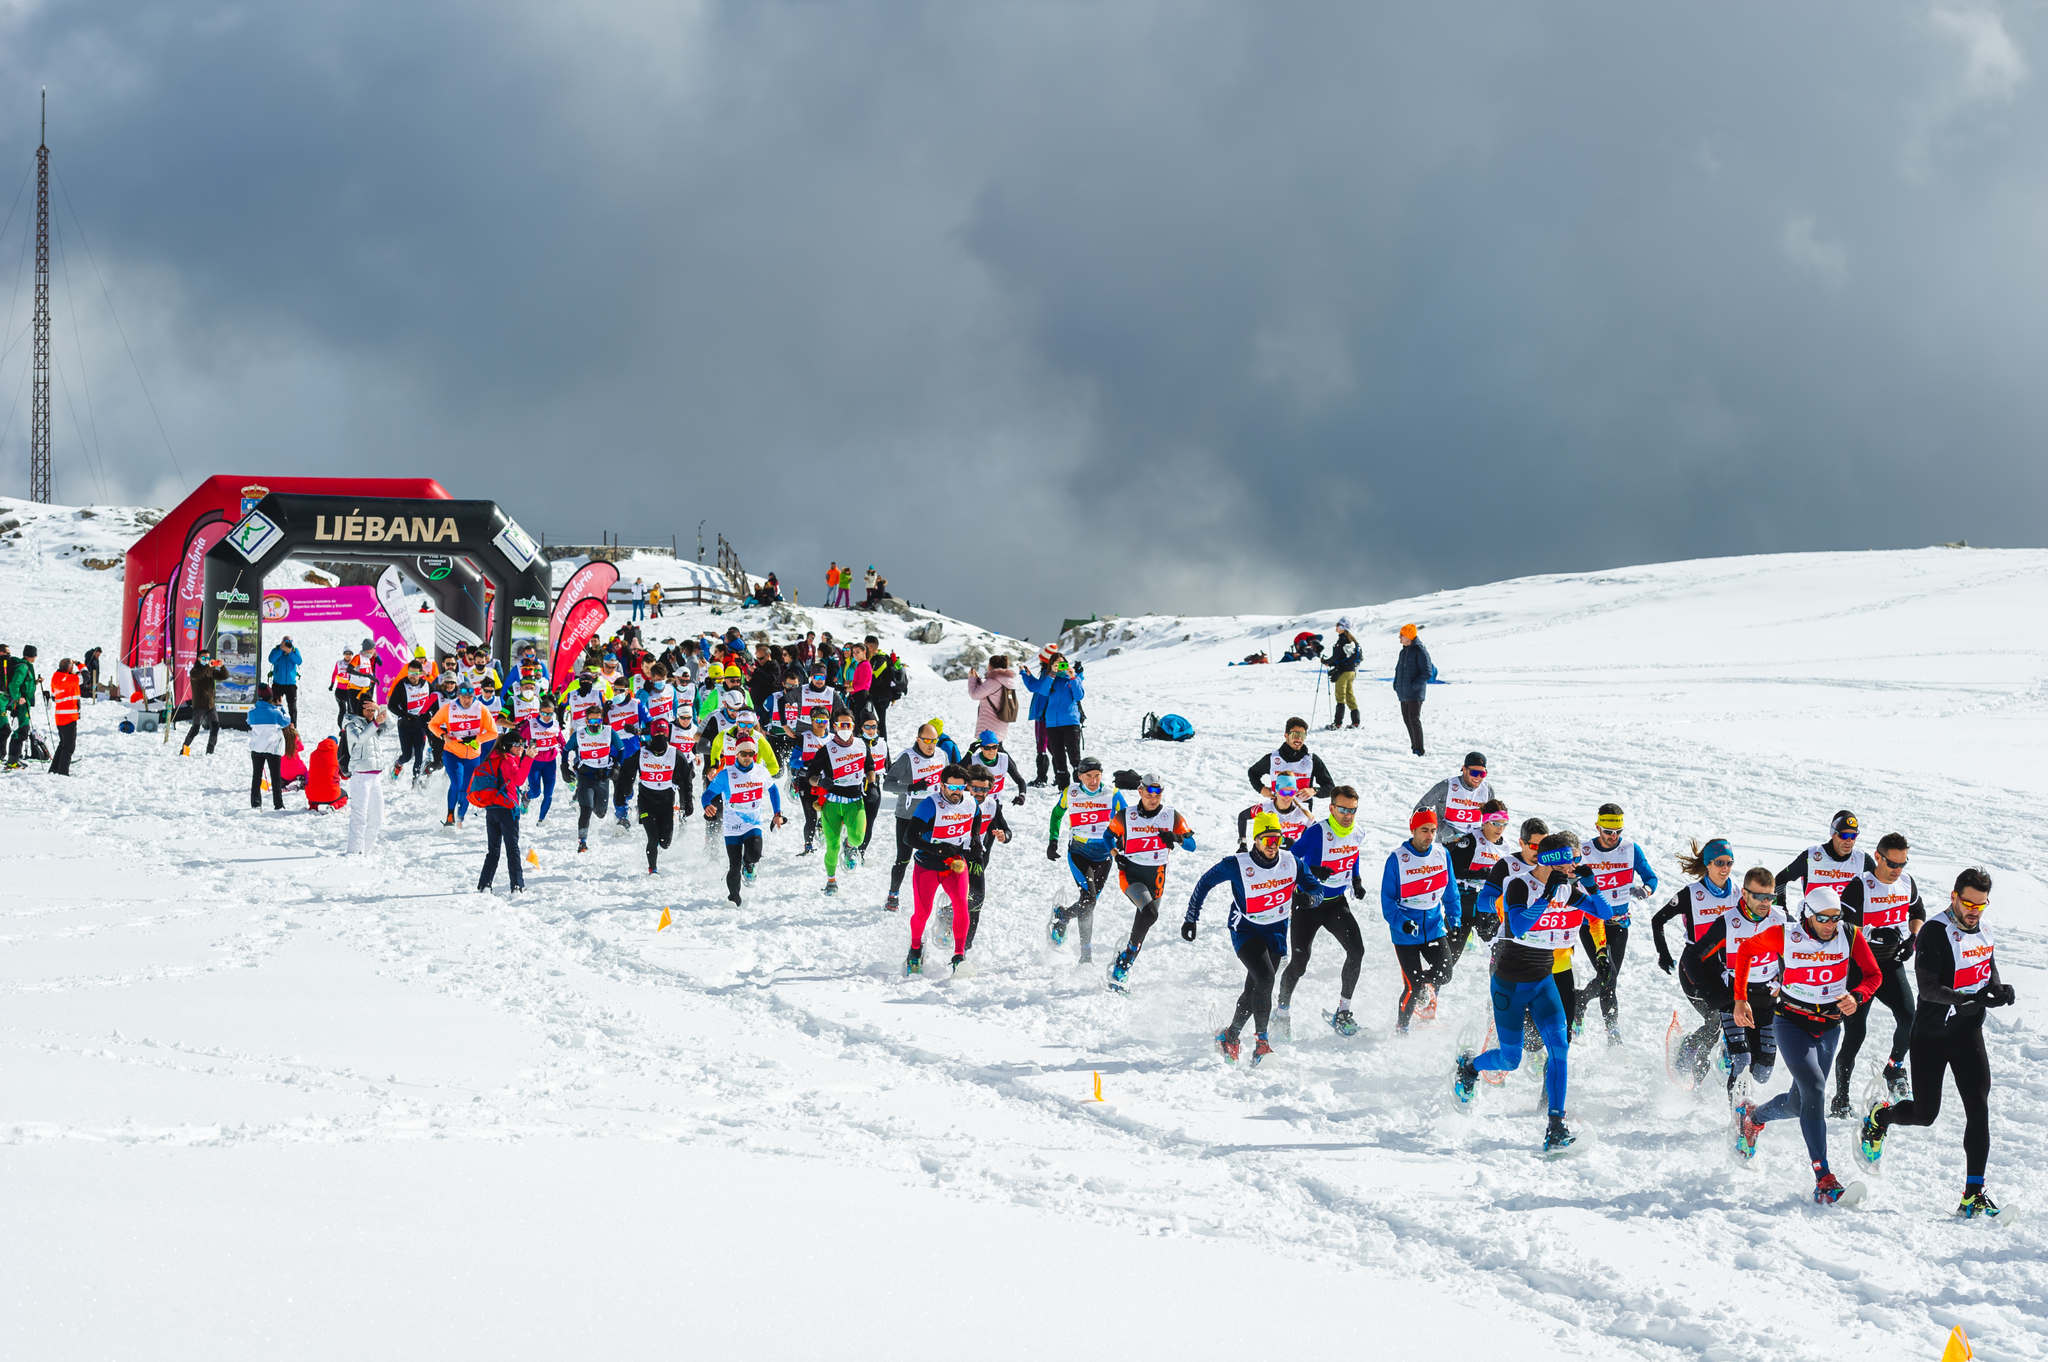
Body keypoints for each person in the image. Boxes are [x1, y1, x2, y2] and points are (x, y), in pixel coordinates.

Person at [1859, 868, 2012, 1218]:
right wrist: (1970, 998)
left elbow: (1988, 968)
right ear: (1954, 896)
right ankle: (1881, 1117)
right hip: (1931, 1037)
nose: (1974, 910)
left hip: (1966, 1033)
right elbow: (1928, 989)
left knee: (1979, 1107)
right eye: (1968, 902)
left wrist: (1999, 990)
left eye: (1981, 904)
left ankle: (1973, 1194)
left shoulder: (1985, 929)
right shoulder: (1934, 932)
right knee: (1926, 1115)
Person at [1453, 833, 1612, 1152]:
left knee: (1559, 1048)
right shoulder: (1520, 885)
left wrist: (1591, 885)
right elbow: (1519, 926)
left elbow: (1604, 913)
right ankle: (1469, 1068)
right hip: (1509, 982)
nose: (1577, 865)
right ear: (1553, 860)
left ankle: (1556, 1124)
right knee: (1510, 1059)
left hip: (1543, 981)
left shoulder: (1570, 888)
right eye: (1573, 859)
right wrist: (1546, 898)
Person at [1729, 886, 1881, 1206]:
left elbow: (1873, 974)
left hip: (1828, 1026)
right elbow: (1745, 952)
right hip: (1791, 1022)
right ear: (1806, 915)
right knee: (1814, 1088)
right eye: (1822, 918)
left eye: (1835, 918)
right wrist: (1740, 998)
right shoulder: (1785, 935)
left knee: (1800, 1103)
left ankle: (1753, 1118)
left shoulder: (1849, 935)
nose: (1830, 925)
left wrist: (1858, 996)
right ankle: (1823, 1178)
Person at [1184, 811, 1298, 1065]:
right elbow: (1205, 882)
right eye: (1267, 840)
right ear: (1256, 840)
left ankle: (1230, 1036)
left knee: (1256, 987)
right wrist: (1191, 917)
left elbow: (1311, 885)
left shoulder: (1290, 861)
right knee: (1266, 978)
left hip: (1276, 932)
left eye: (1276, 839)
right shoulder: (1237, 864)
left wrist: (1314, 895)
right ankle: (1262, 1042)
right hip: (1245, 931)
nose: (1272, 845)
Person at [1680, 850, 1789, 1101]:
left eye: (1770, 896)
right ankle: (1739, 1120)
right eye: (1758, 896)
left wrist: (1785, 981)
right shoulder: (1728, 922)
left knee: (1762, 1072)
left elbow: (1800, 953)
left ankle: (1724, 1056)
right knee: (1742, 1062)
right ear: (1744, 893)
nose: (1765, 902)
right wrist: (1716, 996)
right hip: (1736, 997)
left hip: (1767, 999)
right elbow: (1692, 958)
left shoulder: (1781, 920)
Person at [1829, 831, 1923, 1115]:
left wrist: (1912, 940)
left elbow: (1918, 912)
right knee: (1856, 1034)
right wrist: (1871, 936)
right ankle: (1841, 1098)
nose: (1897, 870)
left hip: (1891, 965)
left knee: (1910, 1017)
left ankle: (1894, 1069)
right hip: (1862, 970)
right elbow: (1843, 929)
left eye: (1902, 864)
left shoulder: (1906, 882)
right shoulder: (1860, 886)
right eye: (1892, 863)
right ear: (1878, 857)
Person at [1273, 785, 1367, 1035]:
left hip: (1336, 902)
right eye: (1343, 809)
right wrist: (1311, 872)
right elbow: (1289, 859)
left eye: (1353, 810)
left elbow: (1353, 853)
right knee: (1300, 963)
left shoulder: (1358, 831)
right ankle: (1281, 1011)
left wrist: (1356, 880)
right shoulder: (1317, 832)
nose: (1348, 815)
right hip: (1309, 903)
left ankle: (1343, 1011)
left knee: (1357, 952)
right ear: (1332, 808)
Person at [1651, 840, 1746, 1084]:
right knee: (1715, 1019)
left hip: (1725, 967)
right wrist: (1663, 953)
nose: (1725, 868)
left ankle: (1715, 1054)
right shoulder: (1691, 894)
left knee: (1732, 1016)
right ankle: (1687, 1053)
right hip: (1694, 968)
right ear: (1707, 864)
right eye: (1719, 863)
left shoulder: (1738, 892)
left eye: (1729, 863)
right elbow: (1657, 920)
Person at [1102, 774, 1196, 993]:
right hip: (1131, 875)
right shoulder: (1126, 815)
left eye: (1158, 793)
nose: (1154, 798)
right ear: (1140, 792)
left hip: (1156, 879)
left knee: (1145, 920)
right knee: (1150, 913)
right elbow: (1107, 836)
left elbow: (1192, 846)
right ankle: (1123, 964)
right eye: (1149, 792)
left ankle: (1126, 959)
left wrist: (1176, 837)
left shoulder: (1171, 816)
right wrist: (1116, 855)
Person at [1574, 803, 1658, 1042]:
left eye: (1618, 832)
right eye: (1608, 832)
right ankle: (1612, 1030)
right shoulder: (1585, 850)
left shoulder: (1631, 850)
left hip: (1620, 925)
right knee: (1607, 976)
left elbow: (1651, 877)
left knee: (1609, 978)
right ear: (1597, 827)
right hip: (1591, 924)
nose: (1613, 837)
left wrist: (1646, 890)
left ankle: (1580, 999)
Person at [1381, 809, 1462, 1033]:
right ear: (1413, 830)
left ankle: (1419, 985)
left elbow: (1451, 891)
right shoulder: (1397, 859)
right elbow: (1387, 902)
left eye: (1433, 831)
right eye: (1424, 830)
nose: (1429, 836)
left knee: (1445, 974)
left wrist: (1454, 921)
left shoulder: (1441, 853)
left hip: (1434, 927)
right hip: (1406, 933)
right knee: (1412, 987)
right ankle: (1402, 1028)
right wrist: (1402, 923)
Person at [902, 764, 979, 976]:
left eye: (960, 787)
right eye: (951, 787)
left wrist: (975, 846)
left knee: (962, 905)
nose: (956, 792)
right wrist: (936, 848)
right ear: (941, 786)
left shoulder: (971, 803)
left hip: (955, 865)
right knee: (922, 912)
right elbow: (909, 837)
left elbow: (975, 828)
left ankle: (958, 955)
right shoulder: (930, 805)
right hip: (927, 865)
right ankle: (915, 948)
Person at [1046, 756, 1117, 962]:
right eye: (1089, 777)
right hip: (1079, 853)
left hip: (1104, 856)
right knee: (1089, 900)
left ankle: (1063, 917)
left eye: (1097, 776)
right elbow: (1057, 814)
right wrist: (1053, 841)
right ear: (1080, 776)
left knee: (1089, 903)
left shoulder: (1111, 793)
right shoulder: (1072, 793)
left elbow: (1126, 819)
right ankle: (1086, 956)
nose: (1094, 781)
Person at [882, 722, 959, 910]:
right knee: (904, 857)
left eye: (934, 740)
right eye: (926, 740)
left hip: (934, 815)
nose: (931, 744)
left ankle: (950, 898)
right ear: (918, 739)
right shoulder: (907, 758)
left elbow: (949, 781)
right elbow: (887, 785)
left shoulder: (942, 755)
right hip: (908, 816)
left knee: (942, 853)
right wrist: (910, 787)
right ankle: (893, 894)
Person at [703, 740, 786, 906]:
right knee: (733, 866)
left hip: (752, 823)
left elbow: (773, 790)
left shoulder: (760, 771)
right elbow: (707, 794)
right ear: (737, 754)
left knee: (755, 854)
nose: (747, 757)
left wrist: (777, 813)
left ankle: (748, 864)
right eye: (744, 754)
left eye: (751, 754)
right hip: (732, 826)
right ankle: (734, 898)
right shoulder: (726, 774)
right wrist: (707, 805)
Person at [1442, 800, 1511, 984]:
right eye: (1495, 823)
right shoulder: (1470, 840)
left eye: (1504, 824)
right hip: (1464, 903)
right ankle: (1426, 990)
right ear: (1485, 821)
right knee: (1449, 958)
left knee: (1502, 951)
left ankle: (1500, 991)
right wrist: (1479, 874)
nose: (1499, 829)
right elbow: (1451, 869)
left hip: (1487, 906)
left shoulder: (1505, 848)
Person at [806, 711, 874, 894]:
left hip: (855, 800)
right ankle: (831, 880)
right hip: (833, 803)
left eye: (848, 725)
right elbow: (810, 776)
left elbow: (870, 767)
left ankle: (850, 846)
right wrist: (820, 782)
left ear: (853, 726)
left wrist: (872, 784)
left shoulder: (861, 745)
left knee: (858, 838)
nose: (845, 728)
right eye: (841, 725)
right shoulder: (826, 750)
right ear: (834, 726)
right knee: (832, 845)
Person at [427, 680, 499, 826]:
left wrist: (476, 739)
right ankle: (450, 816)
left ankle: (460, 817)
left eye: (470, 697)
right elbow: (432, 724)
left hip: (473, 755)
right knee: (456, 783)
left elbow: (493, 733)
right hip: (452, 752)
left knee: (467, 788)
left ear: (474, 696)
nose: (467, 700)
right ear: (459, 695)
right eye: (464, 697)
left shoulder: (481, 709)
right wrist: (443, 735)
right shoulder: (449, 708)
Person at [474, 728, 535, 893]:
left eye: (522, 745)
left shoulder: (493, 758)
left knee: (493, 851)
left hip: (492, 809)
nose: (521, 748)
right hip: (507, 809)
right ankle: (517, 885)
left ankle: (484, 884)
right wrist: (528, 759)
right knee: (512, 849)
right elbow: (519, 780)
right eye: (518, 745)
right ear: (509, 746)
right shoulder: (508, 760)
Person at [960, 767, 1012, 946]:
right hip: (955, 857)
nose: (980, 793)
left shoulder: (991, 805)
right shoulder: (958, 802)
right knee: (962, 897)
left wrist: (1004, 836)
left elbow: (1006, 829)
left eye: (984, 789)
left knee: (976, 902)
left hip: (977, 859)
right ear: (967, 786)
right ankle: (948, 915)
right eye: (976, 788)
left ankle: (965, 949)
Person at [1775, 810, 1872, 903]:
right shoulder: (1811, 857)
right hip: (1815, 918)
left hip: (1848, 919)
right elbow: (1780, 879)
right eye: (1844, 835)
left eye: (1853, 836)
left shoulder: (1862, 859)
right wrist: (1782, 909)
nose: (1849, 840)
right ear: (1833, 834)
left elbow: (1881, 888)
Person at [1020, 651, 1085, 788]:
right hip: (1052, 724)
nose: (1060, 667)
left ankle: (1081, 785)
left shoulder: (1072, 678)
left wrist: (1073, 677)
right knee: (1059, 756)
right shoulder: (1050, 679)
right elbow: (1043, 691)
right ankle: (1063, 788)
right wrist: (1051, 674)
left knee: (1074, 756)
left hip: (1070, 721)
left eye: (1062, 663)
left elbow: (1079, 696)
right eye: (1057, 664)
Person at [341, 701, 393, 853]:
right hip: (360, 777)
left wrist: (381, 709)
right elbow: (360, 739)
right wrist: (376, 723)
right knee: (359, 816)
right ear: (359, 710)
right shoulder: (351, 725)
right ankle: (353, 851)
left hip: (375, 777)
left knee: (377, 816)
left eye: (373, 710)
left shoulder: (374, 725)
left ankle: (366, 850)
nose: (371, 713)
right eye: (368, 710)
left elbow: (391, 725)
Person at [1413, 753, 1498, 841]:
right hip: (1449, 841)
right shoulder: (1446, 786)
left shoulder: (1487, 790)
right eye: (1474, 773)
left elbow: (1492, 818)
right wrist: (1445, 831)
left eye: (1482, 774)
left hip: (1476, 841)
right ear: (1464, 769)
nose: (1478, 777)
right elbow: (1420, 809)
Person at [1245, 718, 1337, 799]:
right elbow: (1253, 772)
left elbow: (1330, 788)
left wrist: (1314, 790)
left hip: (1303, 814)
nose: (1299, 740)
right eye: (1295, 735)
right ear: (1286, 735)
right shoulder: (1273, 759)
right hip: (1277, 812)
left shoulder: (1311, 760)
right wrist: (1261, 789)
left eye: (1302, 736)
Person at [635, 719, 680, 874]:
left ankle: (660, 844)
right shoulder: (642, 752)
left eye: (663, 733)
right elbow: (626, 773)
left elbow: (686, 780)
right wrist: (623, 791)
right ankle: (652, 869)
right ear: (652, 735)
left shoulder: (674, 753)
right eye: (657, 733)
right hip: (646, 801)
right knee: (652, 839)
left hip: (666, 802)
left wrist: (687, 803)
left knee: (665, 842)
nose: (660, 736)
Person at [387, 657, 438, 785]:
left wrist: (431, 716)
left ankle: (415, 782)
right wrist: (405, 715)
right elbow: (391, 705)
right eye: (410, 673)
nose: (412, 677)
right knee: (407, 755)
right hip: (405, 724)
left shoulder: (427, 685)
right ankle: (398, 764)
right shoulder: (401, 685)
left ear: (420, 674)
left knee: (419, 754)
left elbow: (434, 703)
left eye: (415, 674)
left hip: (421, 724)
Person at [569, 709, 615, 852]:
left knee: (601, 813)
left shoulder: (608, 732)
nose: (595, 724)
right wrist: (564, 766)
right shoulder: (579, 733)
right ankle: (582, 842)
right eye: (592, 721)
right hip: (585, 775)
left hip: (602, 776)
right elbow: (565, 750)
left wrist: (617, 766)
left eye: (598, 721)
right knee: (586, 808)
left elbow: (621, 749)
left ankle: (586, 799)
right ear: (587, 721)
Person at [1236, 771, 1313, 846]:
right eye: (1283, 792)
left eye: (1291, 793)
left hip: (1294, 856)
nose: (1287, 797)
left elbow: (1316, 832)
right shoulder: (1265, 808)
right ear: (1277, 790)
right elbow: (1242, 816)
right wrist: (1243, 843)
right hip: (1271, 854)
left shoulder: (1303, 811)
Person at [246, 683, 289, 808]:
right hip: (273, 749)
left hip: (256, 748)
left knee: (256, 776)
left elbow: (248, 722)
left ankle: (255, 803)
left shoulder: (252, 713)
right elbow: (286, 721)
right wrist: (280, 706)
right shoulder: (276, 713)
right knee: (275, 778)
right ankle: (278, 804)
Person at [1391, 623, 1432, 757]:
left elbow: (1427, 672)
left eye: (1401, 636)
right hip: (1403, 693)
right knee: (1407, 720)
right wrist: (1396, 684)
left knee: (1414, 720)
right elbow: (1398, 670)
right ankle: (1414, 747)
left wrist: (1414, 686)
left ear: (1408, 636)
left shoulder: (1420, 650)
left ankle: (1419, 750)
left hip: (1415, 693)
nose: (1399, 639)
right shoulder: (1403, 651)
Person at [966, 656, 1021, 745]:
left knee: (990, 753)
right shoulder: (1007, 681)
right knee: (996, 751)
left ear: (991, 666)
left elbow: (974, 695)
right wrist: (978, 681)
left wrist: (972, 679)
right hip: (1001, 722)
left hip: (989, 725)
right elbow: (988, 693)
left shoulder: (993, 681)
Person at [181, 655, 228, 756]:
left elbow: (224, 676)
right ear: (198, 659)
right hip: (199, 706)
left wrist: (222, 666)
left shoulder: (210, 670)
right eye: (204, 659)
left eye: (207, 658)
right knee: (195, 730)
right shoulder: (195, 671)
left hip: (210, 705)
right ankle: (184, 751)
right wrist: (208, 666)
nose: (206, 661)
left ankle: (210, 752)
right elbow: (199, 675)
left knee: (215, 728)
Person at [856, 714, 888, 854]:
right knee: (855, 823)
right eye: (867, 726)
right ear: (861, 727)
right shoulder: (855, 743)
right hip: (856, 786)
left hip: (874, 787)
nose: (870, 730)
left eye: (873, 726)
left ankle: (861, 852)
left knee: (869, 824)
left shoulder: (882, 743)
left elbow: (888, 766)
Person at [45, 658, 80, 775]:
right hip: (69, 716)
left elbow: (54, 696)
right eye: (72, 665)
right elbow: (86, 677)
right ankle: (63, 772)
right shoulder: (70, 678)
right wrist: (80, 664)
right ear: (69, 667)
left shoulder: (56, 677)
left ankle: (54, 768)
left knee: (63, 744)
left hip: (60, 716)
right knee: (69, 746)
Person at [1325, 620, 1361, 729]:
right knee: (1350, 695)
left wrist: (1327, 661)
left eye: (1338, 625)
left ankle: (1337, 723)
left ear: (1342, 628)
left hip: (1343, 672)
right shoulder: (1352, 640)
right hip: (1352, 672)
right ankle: (1356, 722)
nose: (1336, 627)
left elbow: (1337, 656)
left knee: (1340, 696)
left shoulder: (1342, 640)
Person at [1, 643, 33, 767]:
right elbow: (13, 685)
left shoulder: (10, 664)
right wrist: (18, 698)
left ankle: (5, 758)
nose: (9, 655)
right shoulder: (22, 666)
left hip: (5, 700)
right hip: (3, 699)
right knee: (6, 729)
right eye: (6, 652)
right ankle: (12, 761)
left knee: (5, 729)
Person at [305, 735, 347, 813]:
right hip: (331, 794)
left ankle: (313, 806)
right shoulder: (338, 755)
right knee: (344, 795)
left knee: (315, 789)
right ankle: (334, 806)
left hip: (312, 795)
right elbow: (345, 776)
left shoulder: (313, 755)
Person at [267, 635, 302, 724]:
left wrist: (290, 652)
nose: (287, 644)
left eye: (289, 642)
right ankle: (276, 724)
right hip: (278, 683)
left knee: (292, 708)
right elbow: (271, 659)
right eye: (285, 642)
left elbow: (299, 661)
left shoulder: (294, 650)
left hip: (291, 684)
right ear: (282, 642)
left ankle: (293, 727)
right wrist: (280, 650)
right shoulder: (277, 649)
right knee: (275, 706)